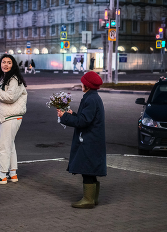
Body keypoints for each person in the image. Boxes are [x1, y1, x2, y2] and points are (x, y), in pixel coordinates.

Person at [57, 71, 106, 209]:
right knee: (90, 169)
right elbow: (86, 118)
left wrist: (65, 117)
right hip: (92, 139)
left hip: (89, 140)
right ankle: (93, 198)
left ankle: (88, 199)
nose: (81, 84)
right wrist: (73, 114)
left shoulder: (90, 99)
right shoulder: (93, 97)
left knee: (87, 169)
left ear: (87, 85)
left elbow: (83, 122)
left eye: (83, 82)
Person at [0, 54, 27, 184]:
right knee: (10, 145)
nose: (5, 65)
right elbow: (0, 98)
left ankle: (2, 175)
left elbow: (10, 97)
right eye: (3, 62)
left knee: (3, 146)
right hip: (8, 116)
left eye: (9, 62)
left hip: (11, 116)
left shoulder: (14, 79)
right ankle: (12, 173)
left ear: (13, 65)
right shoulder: (5, 79)